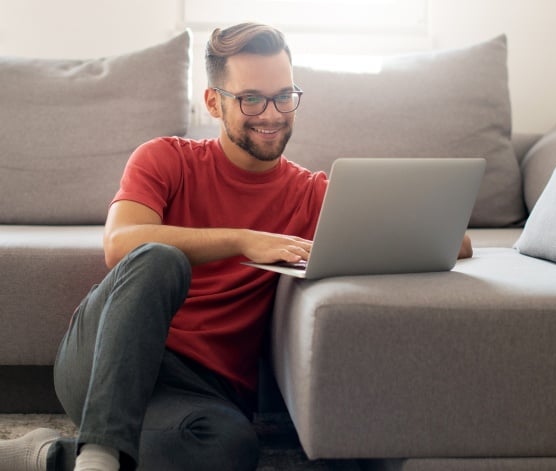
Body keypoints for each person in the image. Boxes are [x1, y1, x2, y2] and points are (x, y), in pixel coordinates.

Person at [0, 22, 473, 471]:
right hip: (105, 354)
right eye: (251, 99)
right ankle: (99, 456)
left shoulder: (313, 194)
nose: (271, 115)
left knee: (230, 449)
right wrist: (245, 242)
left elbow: (452, 238)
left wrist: (435, 234)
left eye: (284, 96)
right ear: (213, 102)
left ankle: (49, 456)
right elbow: (120, 245)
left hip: (200, 391)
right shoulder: (164, 158)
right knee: (159, 259)